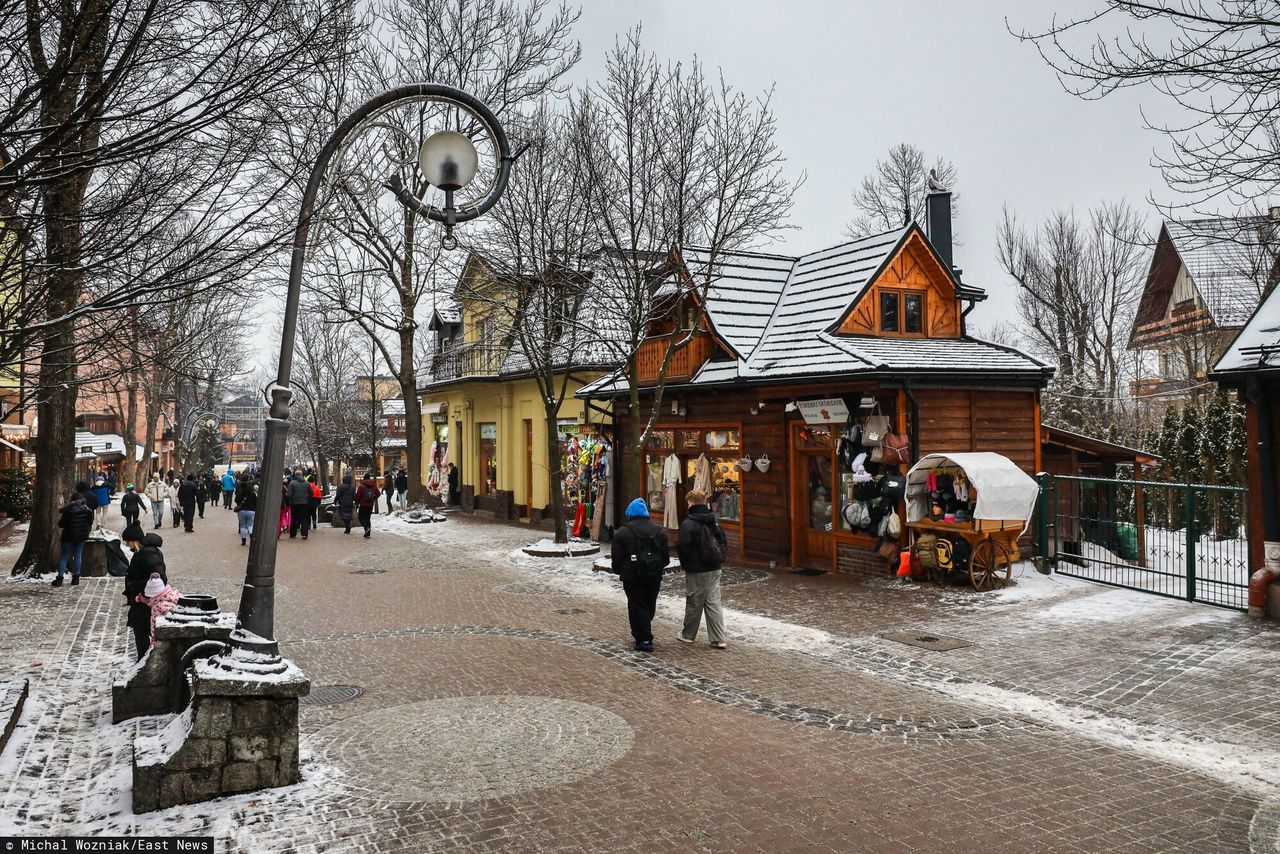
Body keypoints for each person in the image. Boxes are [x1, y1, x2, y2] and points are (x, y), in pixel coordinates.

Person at [610, 497, 669, 652]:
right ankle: (643, 630)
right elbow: (666, 558)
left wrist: (620, 570)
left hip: (632, 577)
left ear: (630, 513)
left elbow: (616, 559)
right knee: (649, 603)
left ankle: (643, 638)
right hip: (654, 576)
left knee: (637, 604)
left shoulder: (622, 533)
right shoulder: (659, 532)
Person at [675, 490, 728, 649]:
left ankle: (688, 635)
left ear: (690, 503)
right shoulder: (714, 521)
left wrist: (686, 565)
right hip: (715, 568)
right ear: (704, 502)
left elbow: (683, 547)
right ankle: (718, 639)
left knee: (694, 602)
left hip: (697, 570)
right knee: (713, 603)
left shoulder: (688, 524)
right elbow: (723, 541)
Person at [121, 523, 168, 659]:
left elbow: (158, 577)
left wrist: (142, 593)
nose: (127, 545)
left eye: (128, 541)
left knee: (142, 630)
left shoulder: (147, 553)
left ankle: (144, 661)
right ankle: (144, 660)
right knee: (141, 629)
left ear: (134, 540)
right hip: (142, 599)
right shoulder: (142, 552)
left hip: (146, 601)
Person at [53, 489, 94, 587]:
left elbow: (61, 524)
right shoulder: (87, 510)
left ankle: (59, 578)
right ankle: (76, 578)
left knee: (64, 557)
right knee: (78, 555)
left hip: (68, 536)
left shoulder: (68, 511)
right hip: (81, 536)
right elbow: (90, 522)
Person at [286, 470, 311, 539]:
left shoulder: (292, 483)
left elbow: (289, 494)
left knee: (294, 519)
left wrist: (290, 499)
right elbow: (311, 492)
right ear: (302, 474)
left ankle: (293, 534)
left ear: (295, 475)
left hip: (294, 504)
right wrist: (307, 498)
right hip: (304, 503)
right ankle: (304, 534)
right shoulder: (307, 483)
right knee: (304, 519)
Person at [233, 473, 257, 546]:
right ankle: (252, 538)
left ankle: (243, 541)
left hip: (242, 510)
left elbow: (236, 500)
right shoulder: (252, 493)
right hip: (251, 510)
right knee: (250, 525)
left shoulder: (240, 492)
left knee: (242, 526)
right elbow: (255, 501)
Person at [355, 473, 380, 538]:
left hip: (363, 505)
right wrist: (373, 498)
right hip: (370, 505)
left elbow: (358, 496)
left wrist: (357, 503)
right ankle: (368, 532)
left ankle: (366, 528)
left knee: (361, 517)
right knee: (367, 518)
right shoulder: (373, 486)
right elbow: (378, 493)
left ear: (364, 478)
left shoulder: (361, 486)